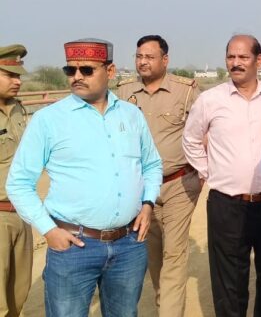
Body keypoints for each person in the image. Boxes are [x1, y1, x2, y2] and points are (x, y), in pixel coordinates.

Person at [7, 38, 162, 317]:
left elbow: (151, 165)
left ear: (110, 71)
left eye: (87, 70)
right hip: (73, 247)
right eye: (71, 70)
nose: (77, 76)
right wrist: (49, 230)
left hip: (128, 245)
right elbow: (18, 183)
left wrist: (148, 204)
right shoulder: (49, 120)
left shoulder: (131, 115)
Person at [183, 34, 261, 317]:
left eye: (243, 57)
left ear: (258, 60)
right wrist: (209, 171)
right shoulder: (210, 100)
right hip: (227, 204)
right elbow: (191, 140)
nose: (236, 63)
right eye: (231, 57)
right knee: (229, 280)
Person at [115, 35, 201, 317]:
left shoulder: (185, 91)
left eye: (149, 57)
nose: (143, 62)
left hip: (178, 185)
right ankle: (165, 306)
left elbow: (204, 132)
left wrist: (202, 172)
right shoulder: (124, 92)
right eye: (139, 56)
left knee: (174, 256)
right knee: (153, 257)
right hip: (140, 190)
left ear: (165, 60)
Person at [0, 44, 31, 317]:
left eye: (18, 75)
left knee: (17, 295)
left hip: (22, 213)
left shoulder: (19, 109)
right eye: (10, 75)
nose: (17, 81)